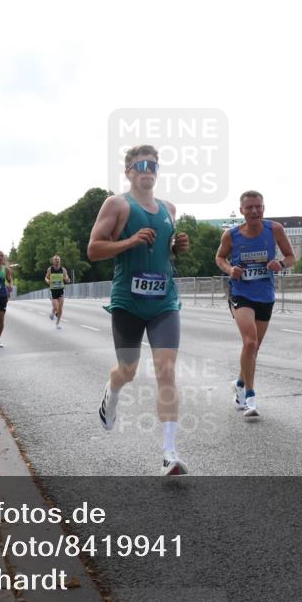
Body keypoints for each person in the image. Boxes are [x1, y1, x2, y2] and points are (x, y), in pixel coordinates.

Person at [88, 145, 191, 475]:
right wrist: (129, 241)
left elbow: (164, 253)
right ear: (128, 172)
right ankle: (112, 391)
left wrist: (176, 248)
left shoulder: (169, 209)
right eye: (141, 165)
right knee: (128, 370)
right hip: (128, 302)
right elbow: (94, 249)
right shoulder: (117, 204)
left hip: (164, 300)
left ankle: (169, 452)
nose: (148, 170)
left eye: (153, 165)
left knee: (166, 370)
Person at [215, 191, 295, 419]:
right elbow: (219, 257)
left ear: (263, 208)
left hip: (265, 294)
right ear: (241, 210)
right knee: (249, 342)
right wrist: (230, 269)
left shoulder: (275, 230)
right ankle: (249, 397)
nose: (254, 211)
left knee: (254, 348)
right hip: (241, 292)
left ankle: (239, 383)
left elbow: (291, 257)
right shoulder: (231, 235)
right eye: (249, 207)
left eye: (258, 206)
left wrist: (281, 264)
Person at [45, 255, 71, 330]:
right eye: (55, 259)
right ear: (53, 261)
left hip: (61, 290)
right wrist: (48, 281)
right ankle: (53, 311)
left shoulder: (63, 270)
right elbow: (46, 277)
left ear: (60, 261)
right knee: (57, 307)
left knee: (60, 308)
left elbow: (67, 278)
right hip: (53, 291)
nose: (57, 261)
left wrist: (67, 279)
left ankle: (57, 324)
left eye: (58, 259)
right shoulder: (50, 269)